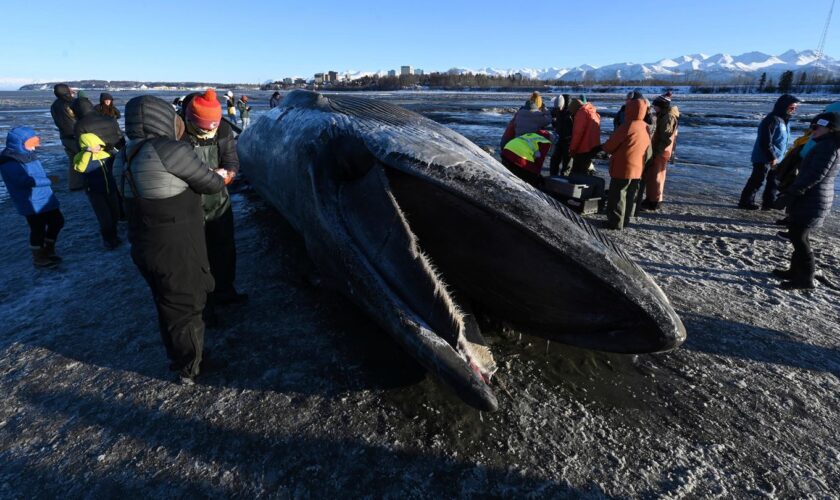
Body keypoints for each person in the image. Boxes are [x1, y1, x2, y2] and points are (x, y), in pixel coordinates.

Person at [115, 95, 226, 383]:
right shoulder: (170, 149)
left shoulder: (123, 154)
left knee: (166, 301)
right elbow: (211, 184)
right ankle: (190, 367)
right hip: (176, 241)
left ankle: (182, 357)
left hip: (143, 241)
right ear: (162, 118)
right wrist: (220, 174)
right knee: (185, 304)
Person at [180, 89, 248, 316]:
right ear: (190, 120)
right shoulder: (178, 132)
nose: (209, 133)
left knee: (224, 248)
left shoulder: (224, 128)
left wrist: (229, 173)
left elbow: (231, 159)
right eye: (203, 129)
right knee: (197, 255)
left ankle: (225, 291)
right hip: (189, 203)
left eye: (213, 128)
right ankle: (204, 303)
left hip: (218, 200)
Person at [772, 112, 840, 290]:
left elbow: (815, 175)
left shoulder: (828, 147)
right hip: (811, 198)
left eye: (817, 127)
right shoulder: (826, 144)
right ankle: (795, 271)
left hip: (813, 199)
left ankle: (806, 278)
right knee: (797, 235)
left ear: (831, 128)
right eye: (811, 126)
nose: (812, 130)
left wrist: (791, 193)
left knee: (799, 237)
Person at [0, 127, 64, 268]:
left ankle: (48, 248)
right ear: (20, 142)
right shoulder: (10, 161)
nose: (36, 144)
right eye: (32, 141)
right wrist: (48, 180)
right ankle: (39, 257)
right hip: (30, 201)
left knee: (57, 221)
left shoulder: (27, 153)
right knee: (38, 229)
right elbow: (22, 181)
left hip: (43, 197)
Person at [73, 96, 126, 249]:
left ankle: (110, 237)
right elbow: (121, 138)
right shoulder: (109, 119)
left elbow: (81, 148)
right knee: (117, 190)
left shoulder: (80, 125)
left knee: (101, 203)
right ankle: (122, 217)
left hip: (95, 162)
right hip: (115, 157)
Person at [595, 97, 652, 230]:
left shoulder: (628, 126)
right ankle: (625, 220)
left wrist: (602, 148)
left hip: (624, 166)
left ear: (630, 109)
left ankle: (615, 222)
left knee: (617, 195)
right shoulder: (645, 126)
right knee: (630, 195)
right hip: (638, 167)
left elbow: (610, 145)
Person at [738, 94, 800, 210]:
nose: (794, 110)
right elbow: (765, 140)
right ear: (783, 106)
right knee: (757, 180)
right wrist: (771, 157)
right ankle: (745, 202)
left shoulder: (785, 121)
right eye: (792, 107)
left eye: (795, 108)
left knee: (774, 181)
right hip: (764, 157)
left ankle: (769, 202)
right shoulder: (772, 119)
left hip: (778, 158)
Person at [639, 93, 680, 210]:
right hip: (659, 150)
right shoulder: (663, 115)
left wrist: (657, 152)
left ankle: (655, 201)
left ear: (661, 105)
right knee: (652, 175)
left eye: (655, 105)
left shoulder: (668, 117)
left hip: (661, 152)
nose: (653, 107)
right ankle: (651, 198)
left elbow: (665, 137)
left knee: (657, 176)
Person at [50, 83, 85, 190]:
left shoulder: (54, 105)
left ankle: (75, 185)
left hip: (64, 136)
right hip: (77, 135)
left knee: (73, 161)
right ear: (66, 91)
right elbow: (83, 113)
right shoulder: (71, 102)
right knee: (86, 158)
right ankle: (89, 182)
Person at [568, 96, 602, 174]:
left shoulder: (581, 113)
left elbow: (578, 134)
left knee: (577, 173)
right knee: (585, 169)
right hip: (593, 147)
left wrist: (572, 149)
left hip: (583, 149)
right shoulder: (593, 112)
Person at [549, 94, 573, 176]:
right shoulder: (556, 110)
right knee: (554, 160)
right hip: (559, 139)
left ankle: (564, 180)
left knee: (567, 163)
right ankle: (552, 178)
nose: (557, 110)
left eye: (559, 108)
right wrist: (554, 122)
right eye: (556, 109)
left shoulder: (571, 112)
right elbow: (553, 120)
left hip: (569, 141)